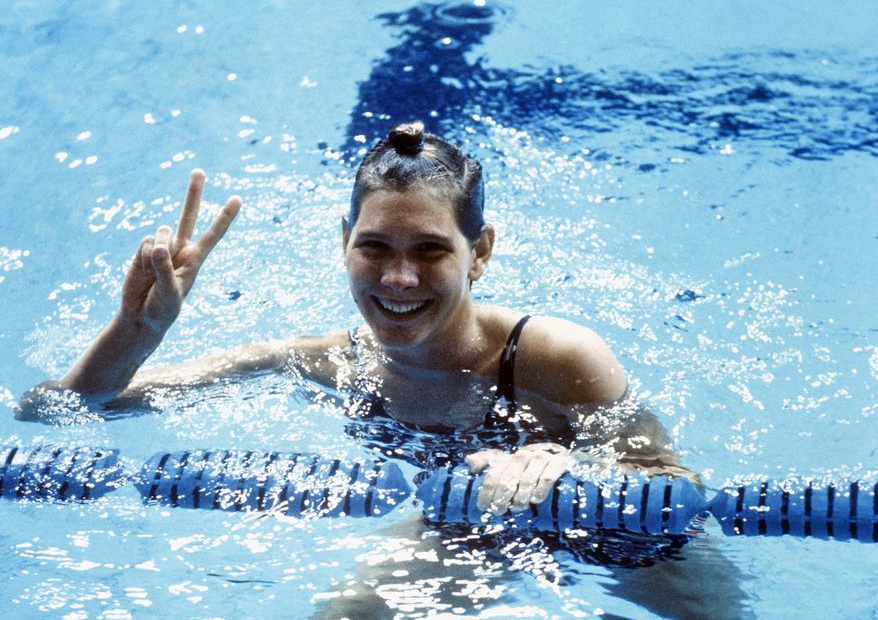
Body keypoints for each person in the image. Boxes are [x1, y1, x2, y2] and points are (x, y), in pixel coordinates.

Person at [18, 122, 744, 618]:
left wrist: (565, 464)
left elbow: (673, 485)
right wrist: (136, 331)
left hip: (617, 528)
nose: (398, 279)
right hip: (466, 526)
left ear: (479, 252)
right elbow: (61, 412)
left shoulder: (554, 356)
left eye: (430, 250)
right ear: (344, 242)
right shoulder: (326, 360)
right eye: (375, 248)